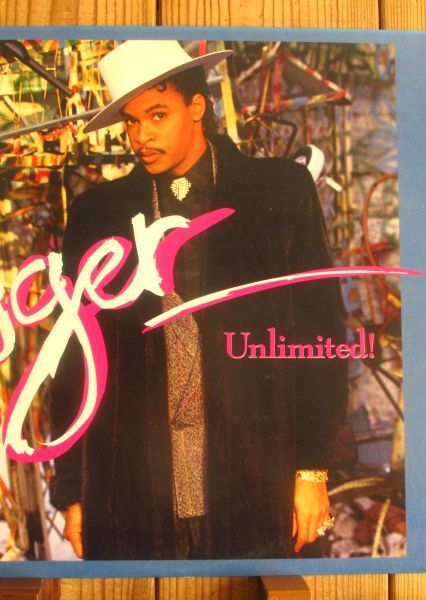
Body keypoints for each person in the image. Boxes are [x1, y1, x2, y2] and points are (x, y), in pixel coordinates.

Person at [48, 40, 348, 560]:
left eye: (157, 115)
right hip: (134, 494)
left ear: (196, 107)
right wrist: (73, 491)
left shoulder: (278, 190)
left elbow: (321, 335)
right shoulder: (98, 213)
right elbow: (73, 360)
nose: (141, 136)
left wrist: (313, 470)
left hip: (260, 480)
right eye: (131, 122)